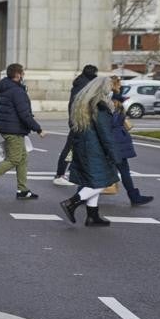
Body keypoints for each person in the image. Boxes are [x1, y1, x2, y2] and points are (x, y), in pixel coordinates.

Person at [0, 63, 45, 200]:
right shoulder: (17, 91)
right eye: (22, 73)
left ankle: (22, 190)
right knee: (14, 159)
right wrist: (38, 129)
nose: (23, 75)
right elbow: (24, 114)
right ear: (18, 75)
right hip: (14, 130)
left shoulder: (7, 88)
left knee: (23, 158)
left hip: (9, 128)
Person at [60, 76, 120, 227]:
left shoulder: (82, 103)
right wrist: (115, 155)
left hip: (83, 146)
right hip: (95, 150)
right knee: (103, 181)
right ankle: (72, 203)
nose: (111, 90)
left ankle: (92, 216)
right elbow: (105, 133)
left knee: (92, 181)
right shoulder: (99, 106)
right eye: (109, 87)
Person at [109, 80, 153, 207]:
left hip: (115, 143)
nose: (121, 86)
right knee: (122, 171)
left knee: (120, 171)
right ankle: (79, 197)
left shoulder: (110, 103)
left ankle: (134, 196)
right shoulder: (113, 104)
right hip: (116, 143)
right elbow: (112, 124)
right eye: (119, 84)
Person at [54, 65, 98, 186]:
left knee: (78, 148)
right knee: (71, 148)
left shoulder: (80, 84)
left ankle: (69, 173)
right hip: (80, 122)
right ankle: (60, 174)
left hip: (78, 121)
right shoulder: (86, 86)